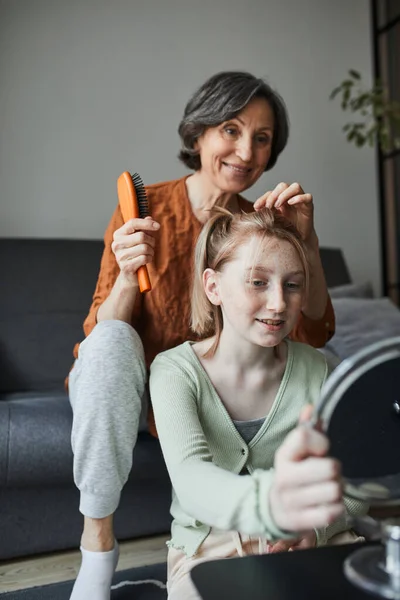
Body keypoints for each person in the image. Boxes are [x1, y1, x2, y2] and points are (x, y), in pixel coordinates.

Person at [68, 71, 335, 600]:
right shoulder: (141, 211)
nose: (246, 150)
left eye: (262, 138)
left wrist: (306, 241)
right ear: (199, 135)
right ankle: (96, 547)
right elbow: (102, 332)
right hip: (139, 388)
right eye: (231, 131)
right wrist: (127, 274)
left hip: (213, 395)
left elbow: (314, 331)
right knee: (106, 349)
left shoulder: (260, 225)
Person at [149, 207, 366, 599]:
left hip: (316, 542)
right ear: (213, 287)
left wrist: (312, 528)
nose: (279, 303)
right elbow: (191, 479)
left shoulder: (322, 370)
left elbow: (357, 485)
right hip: (209, 552)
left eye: (293, 285)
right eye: (258, 283)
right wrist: (273, 505)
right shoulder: (174, 372)